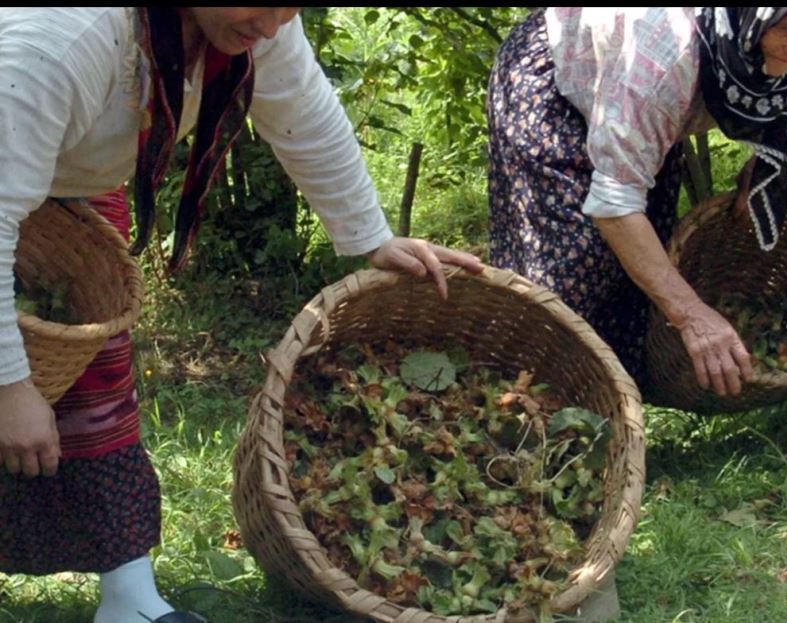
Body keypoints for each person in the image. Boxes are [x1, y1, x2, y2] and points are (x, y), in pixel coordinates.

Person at [0, 8, 482, 623]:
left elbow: (303, 112)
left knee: (96, 380)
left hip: (68, 185)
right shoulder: (66, 41)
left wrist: (372, 237)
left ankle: (130, 603)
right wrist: (11, 384)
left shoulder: (252, 21)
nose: (277, 24)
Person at [487, 7, 787, 397]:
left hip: (629, 98)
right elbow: (614, 207)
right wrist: (692, 316)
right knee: (573, 266)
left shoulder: (772, 46)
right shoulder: (663, 63)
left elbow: (777, 109)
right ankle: (537, 403)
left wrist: (762, 166)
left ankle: (618, 401)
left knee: (643, 258)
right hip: (555, 80)